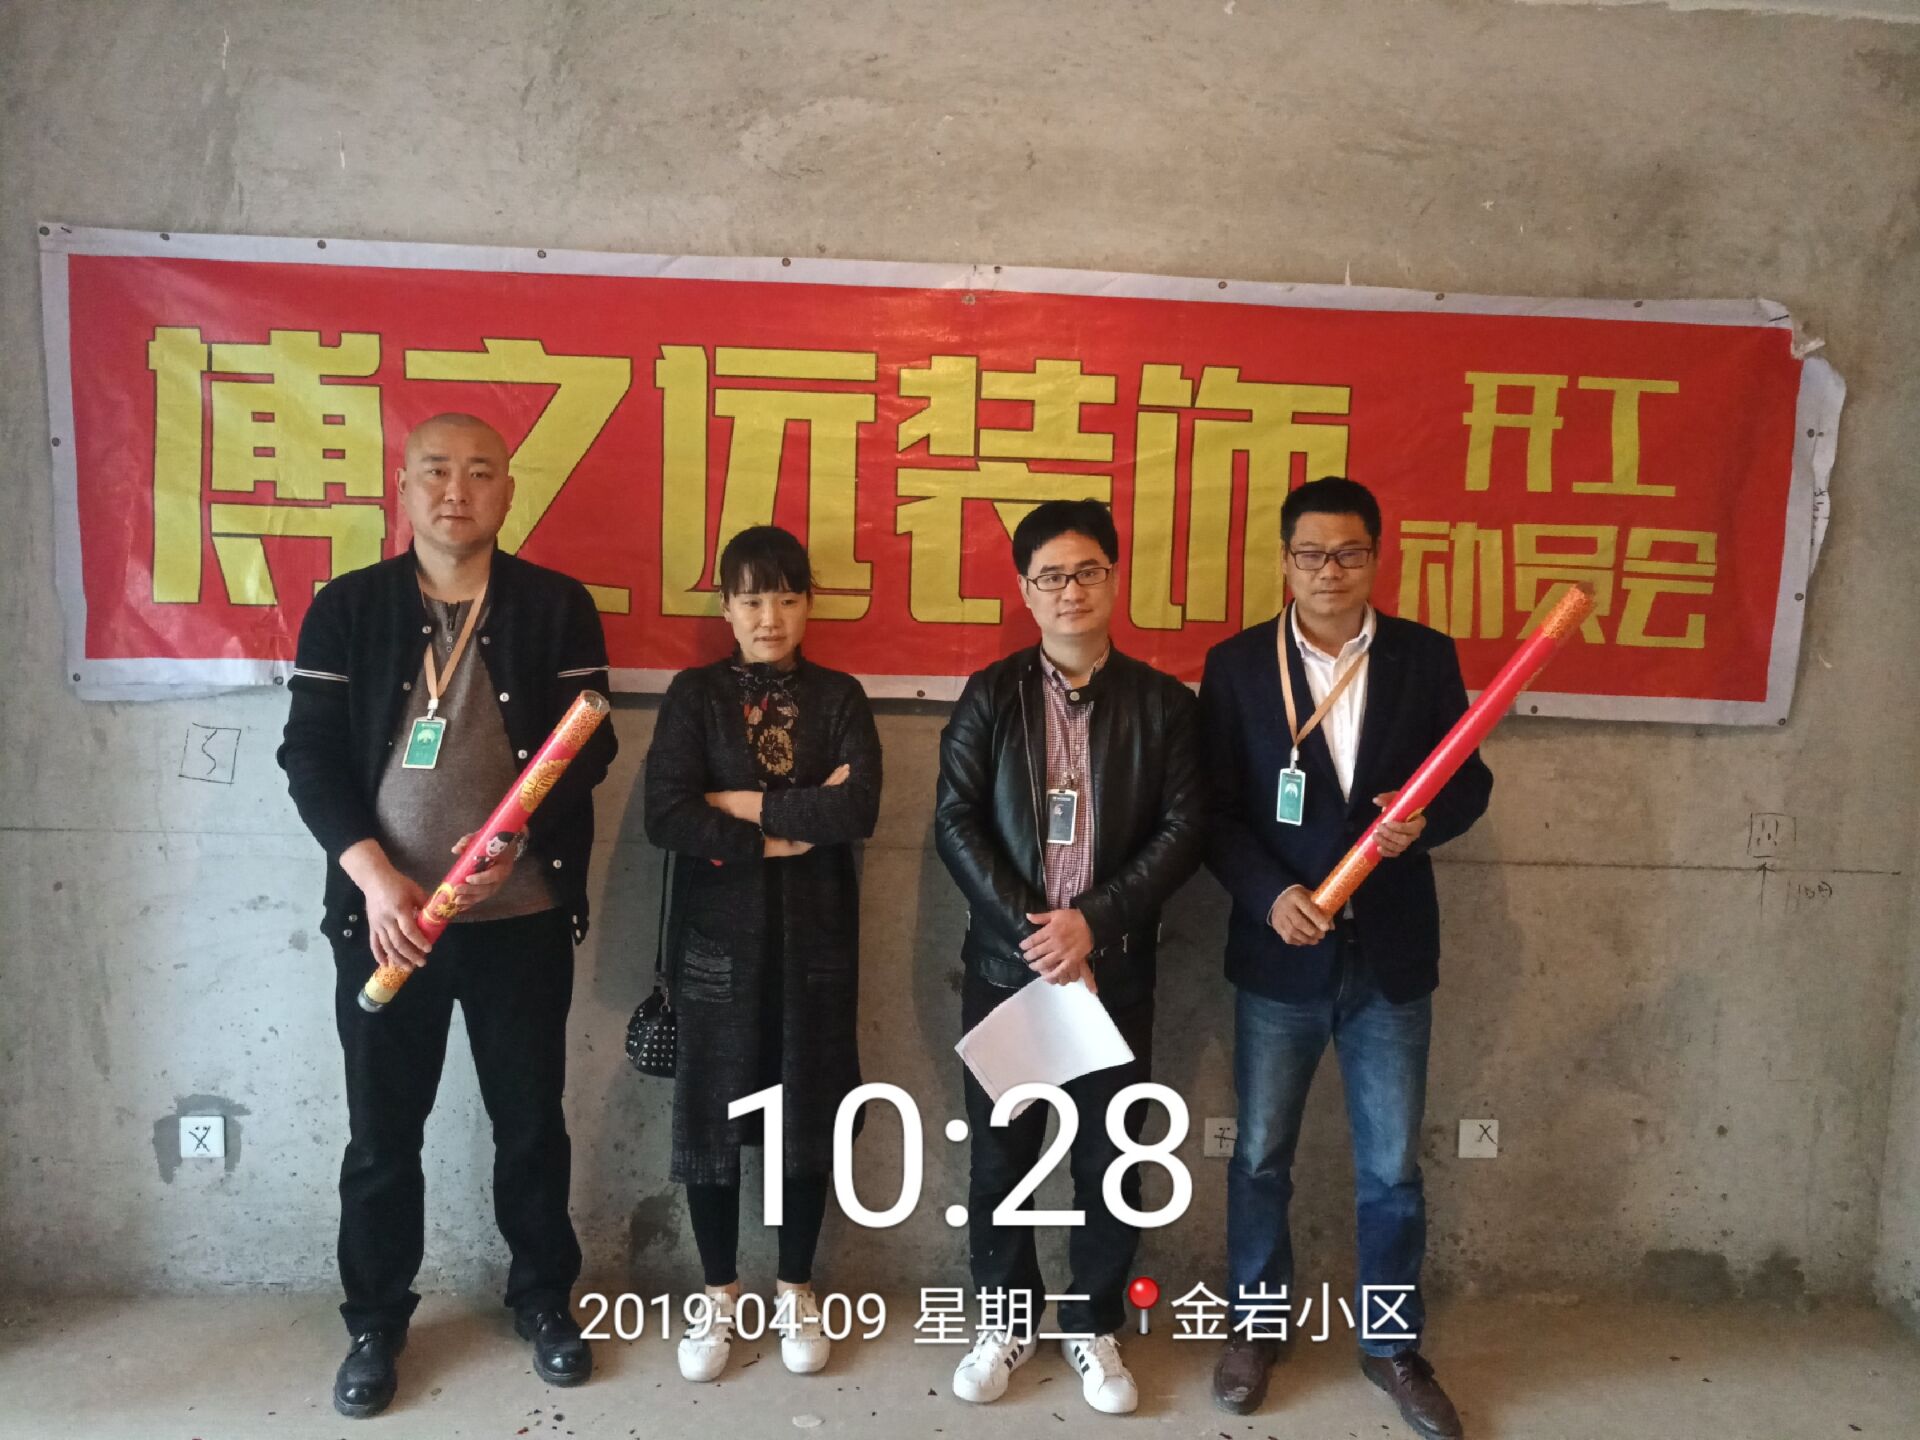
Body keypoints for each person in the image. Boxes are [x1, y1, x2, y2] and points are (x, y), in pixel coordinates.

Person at [278, 413, 616, 1419]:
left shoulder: (556, 606)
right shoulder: (348, 608)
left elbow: (589, 744)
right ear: (403, 487)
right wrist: (377, 879)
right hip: (388, 928)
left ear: (509, 490)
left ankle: (544, 1299)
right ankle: (376, 1321)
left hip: (521, 917)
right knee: (382, 1137)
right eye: (435, 471)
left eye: (479, 472)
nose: (455, 491)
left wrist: (521, 830)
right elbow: (308, 755)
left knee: (531, 1125)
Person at [1198, 477, 1492, 1439]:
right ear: (1284, 562)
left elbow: (1470, 782)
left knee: (1393, 1169)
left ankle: (1392, 1345)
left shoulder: (1423, 657)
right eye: (1312, 555)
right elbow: (1214, 811)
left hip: (1390, 953)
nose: (1331, 571)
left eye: (1350, 553)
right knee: (1259, 1157)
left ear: (1375, 556)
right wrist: (1268, 894)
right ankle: (1255, 1326)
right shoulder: (1238, 665)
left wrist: (1425, 822)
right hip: (1281, 950)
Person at [934, 498, 1205, 1416]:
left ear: (1114, 578)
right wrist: (1039, 935)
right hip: (1007, 971)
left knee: (1111, 1157)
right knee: (1000, 1159)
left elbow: (1184, 830)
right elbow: (955, 823)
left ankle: (1093, 1324)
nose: (1070, 591)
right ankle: (1005, 1319)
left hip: (1113, 971)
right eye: (1050, 576)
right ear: (1025, 591)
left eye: (1087, 571)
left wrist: (1092, 923)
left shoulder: (1164, 706)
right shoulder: (990, 696)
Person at [642, 524, 882, 1384]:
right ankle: (717, 1294)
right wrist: (784, 830)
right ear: (725, 607)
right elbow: (665, 814)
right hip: (716, 942)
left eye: (786, 597)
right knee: (712, 1114)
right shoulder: (694, 694)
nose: (769, 617)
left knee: (804, 1115)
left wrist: (737, 804)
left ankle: (796, 1289)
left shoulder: (841, 695)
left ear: (810, 603)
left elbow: (857, 811)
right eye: (751, 600)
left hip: (816, 942)